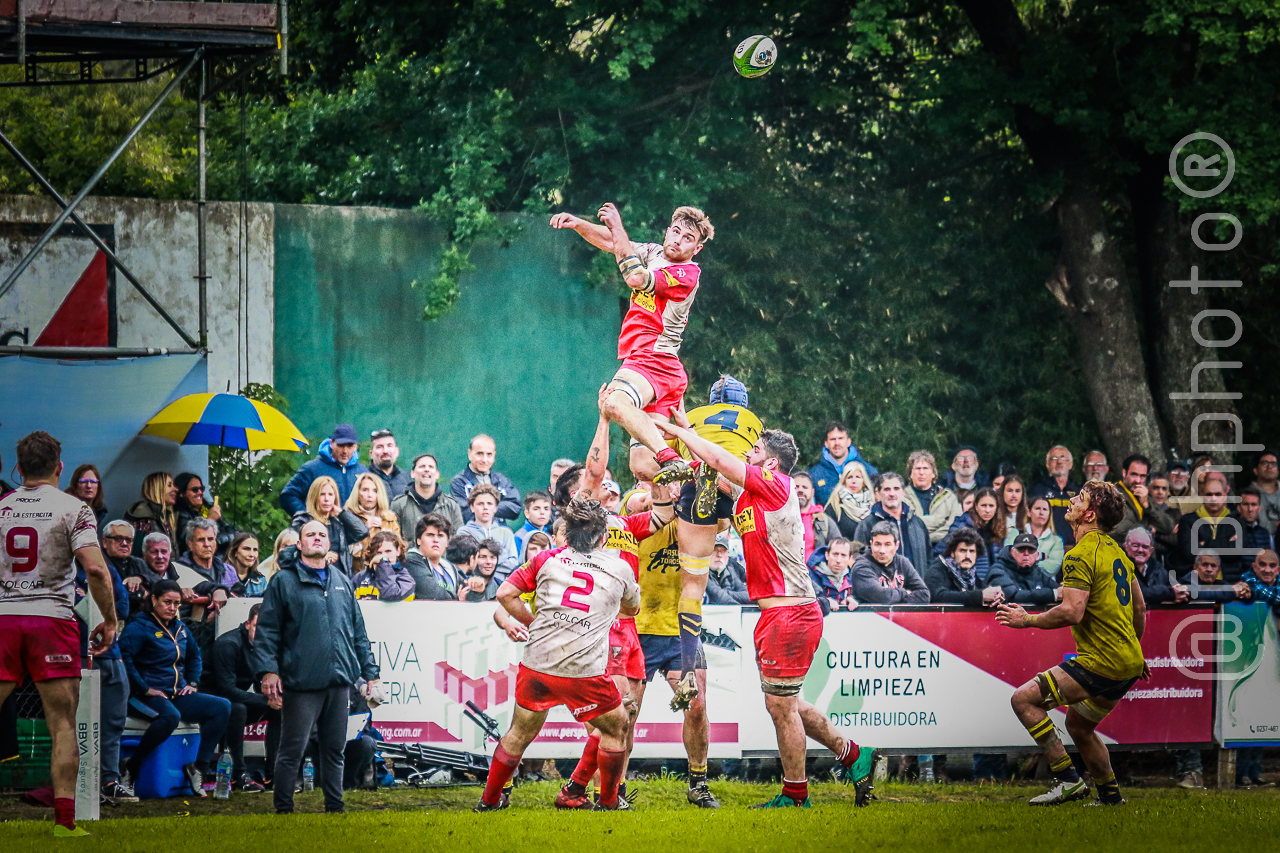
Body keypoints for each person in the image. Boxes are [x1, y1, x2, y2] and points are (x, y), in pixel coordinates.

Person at [654, 420, 879, 807]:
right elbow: (710, 467)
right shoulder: (751, 492)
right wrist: (680, 419)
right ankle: (855, 756)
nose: (747, 453)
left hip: (791, 612)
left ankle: (795, 794)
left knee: (780, 706)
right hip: (778, 614)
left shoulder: (776, 486)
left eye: (754, 450)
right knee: (786, 703)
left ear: (771, 463)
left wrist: (679, 438)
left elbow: (716, 455)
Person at [474, 499, 641, 812]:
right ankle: (608, 803)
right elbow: (632, 609)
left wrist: (532, 623)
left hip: (537, 664)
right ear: (603, 536)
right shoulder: (620, 568)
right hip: (582, 670)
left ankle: (489, 801)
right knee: (617, 726)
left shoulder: (547, 559)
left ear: (567, 533)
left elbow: (504, 594)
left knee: (518, 733)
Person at [996, 480, 1148, 807]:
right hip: (1127, 664)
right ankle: (1110, 798)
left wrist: (1028, 620)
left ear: (1089, 514)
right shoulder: (1117, 552)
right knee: (1078, 726)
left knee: (1023, 701)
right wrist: (1134, 650)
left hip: (1101, 663)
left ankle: (1067, 781)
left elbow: (1072, 612)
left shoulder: (1079, 553)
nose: (1071, 501)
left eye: (1079, 498)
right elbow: (1139, 608)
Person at [0, 432, 116, 836]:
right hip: (52, 620)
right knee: (62, 724)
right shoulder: (74, 509)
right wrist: (110, 619)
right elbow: (97, 570)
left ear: (18, 468)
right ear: (59, 467)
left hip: (3, 618)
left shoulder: (1, 507)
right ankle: (65, 824)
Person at [551, 204, 713, 486]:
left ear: (696, 249)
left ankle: (671, 458)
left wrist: (617, 225)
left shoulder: (687, 273)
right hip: (664, 367)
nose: (678, 240)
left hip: (652, 360)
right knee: (642, 468)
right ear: (667, 232)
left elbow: (635, 278)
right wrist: (579, 224)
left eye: (688, 238)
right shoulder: (653, 252)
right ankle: (702, 475)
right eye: (676, 232)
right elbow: (614, 243)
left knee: (613, 403)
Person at [253, 519, 381, 815]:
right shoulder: (283, 581)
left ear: (329, 543)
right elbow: (267, 631)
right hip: (301, 681)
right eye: (310, 535)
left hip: (339, 682)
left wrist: (371, 674)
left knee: (335, 749)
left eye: (322, 534)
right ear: (299, 544)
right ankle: (283, 809)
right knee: (291, 751)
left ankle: (334, 807)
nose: (318, 539)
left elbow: (358, 632)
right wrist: (268, 671)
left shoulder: (341, 580)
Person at [119, 580, 231, 799]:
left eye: (177, 604)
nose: (172, 608)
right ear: (153, 600)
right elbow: (123, 657)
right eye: (167, 602)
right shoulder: (140, 626)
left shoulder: (180, 628)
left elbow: (195, 655)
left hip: (175, 693)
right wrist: (143, 687)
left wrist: (193, 683)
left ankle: (198, 768)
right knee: (170, 716)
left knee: (222, 707)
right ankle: (131, 768)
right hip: (143, 695)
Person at [207, 603, 277, 793]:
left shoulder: (265, 649)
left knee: (278, 709)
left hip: (236, 698)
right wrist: (266, 700)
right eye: (257, 627)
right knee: (238, 709)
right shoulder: (228, 644)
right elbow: (226, 690)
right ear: (247, 624)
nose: (263, 634)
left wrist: (275, 697)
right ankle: (239, 774)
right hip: (210, 698)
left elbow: (259, 683)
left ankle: (273, 775)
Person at [279, 424, 369, 515]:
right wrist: (308, 519)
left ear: (356, 447)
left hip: (354, 528)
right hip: (321, 527)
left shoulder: (363, 472)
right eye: (341, 445)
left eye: (350, 446)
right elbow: (288, 496)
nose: (345, 451)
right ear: (331, 443)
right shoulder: (312, 468)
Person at [291, 475, 369, 577]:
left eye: (330, 495)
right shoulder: (303, 522)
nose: (327, 499)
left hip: (341, 577)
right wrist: (320, 555)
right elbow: (292, 553)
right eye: (322, 494)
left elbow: (362, 532)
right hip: (313, 577)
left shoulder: (338, 523)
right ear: (314, 497)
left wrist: (341, 513)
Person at [852, 472, 930, 572]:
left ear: (903, 492)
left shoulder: (917, 523)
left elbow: (929, 559)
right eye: (887, 489)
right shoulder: (867, 525)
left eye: (896, 489)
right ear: (878, 493)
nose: (892, 494)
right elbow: (859, 560)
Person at [1172, 476, 1242, 580]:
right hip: (1196, 583)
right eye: (1209, 494)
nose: (1213, 498)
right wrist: (1225, 544)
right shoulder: (1188, 520)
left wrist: (1206, 544)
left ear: (1225, 496)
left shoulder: (1237, 522)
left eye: (1218, 494)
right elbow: (1189, 553)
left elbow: (1236, 552)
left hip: (1229, 582)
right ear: (1202, 496)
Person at [850, 522, 931, 605]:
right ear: (871, 544)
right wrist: (904, 592)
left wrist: (894, 599)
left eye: (887, 545)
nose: (882, 550)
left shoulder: (903, 562)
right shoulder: (861, 566)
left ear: (896, 545)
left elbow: (924, 595)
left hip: (899, 617)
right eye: (877, 544)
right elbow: (882, 598)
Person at [450, 434, 522, 523]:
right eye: (479, 454)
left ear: (494, 456)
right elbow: (465, 513)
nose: (484, 459)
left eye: (489, 454)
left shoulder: (501, 480)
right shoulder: (459, 482)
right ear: (470, 454)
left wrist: (483, 508)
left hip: (499, 534)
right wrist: (495, 507)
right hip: (471, 534)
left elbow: (515, 508)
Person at [391, 453, 465, 537]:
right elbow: (392, 539)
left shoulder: (451, 506)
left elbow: (459, 540)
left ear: (437, 474)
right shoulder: (399, 505)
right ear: (412, 473)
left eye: (431, 467)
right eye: (422, 466)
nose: (426, 469)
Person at [925, 528, 1003, 607]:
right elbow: (938, 596)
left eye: (972, 551)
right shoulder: (937, 570)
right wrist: (980, 596)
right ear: (952, 553)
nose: (967, 556)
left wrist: (995, 596)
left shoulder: (971, 575)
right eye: (962, 551)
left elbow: (980, 593)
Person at [939, 487, 1004, 583]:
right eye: (983, 505)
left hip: (992, 582)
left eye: (991, 506)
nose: (987, 510)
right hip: (968, 582)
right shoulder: (962, 526)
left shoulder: (997, 527)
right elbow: (942, 552)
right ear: (976, 507)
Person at [808, 421, 878, 506]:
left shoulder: (868, 471)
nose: (837, 443)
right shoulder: (814, 474)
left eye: (840, 438)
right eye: (833, 439)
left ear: (848, 441)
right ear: (826, 443)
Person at [458, 484, 519, 580]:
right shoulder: (464, 532)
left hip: (500, 585)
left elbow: (513, 563)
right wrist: (502, 555)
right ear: (472, 507)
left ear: (495, 508)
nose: (485, 507)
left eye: (489, 504)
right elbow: (466, 563)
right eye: (480, 504)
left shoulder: (506, 533)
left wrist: (482, 559)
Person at [901, 450, 963, 546]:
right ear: (910, 474)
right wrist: (940, 520)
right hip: (914, 547)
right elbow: (908, 526)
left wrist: (928, 536)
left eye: (925, 468)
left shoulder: (949, 497)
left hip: (945, 547)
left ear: (933, 473)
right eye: (917, 468)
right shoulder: (902, 497)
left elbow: (956, 525)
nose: (921, 472)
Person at [344, 472, 401, 574]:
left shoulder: (389, 520)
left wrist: (389, 539)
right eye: (365, 490)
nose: (370, 495)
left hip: (388, 575)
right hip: (357, 576)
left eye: (375, 491)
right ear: (357, 493)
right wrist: (363, 530)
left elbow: (400, 552)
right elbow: (344, 553)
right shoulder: (347, 519)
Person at [1111, 455, 1174, 545]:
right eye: (1134, 474)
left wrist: (1147, 506)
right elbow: (1118, 528)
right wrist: (1148, 530)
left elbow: (1168, 527)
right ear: (1124, 473)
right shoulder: (1111, 494)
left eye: (1142, 476)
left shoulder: (1144, 495)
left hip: (1146, 555)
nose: (1138, 480)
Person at [985, 533, 1062, 606]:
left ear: (1037, 555)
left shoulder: (1036, 571)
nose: (1026, 554)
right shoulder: (998, 570)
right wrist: (1053, 594)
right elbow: (1013, 596)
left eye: (1031, 550)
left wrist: (1064, 590)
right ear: (1012, 552)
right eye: (1021, 549)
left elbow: (1056, 587)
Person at [1029, 445, 1082, 549]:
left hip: (1074, 549)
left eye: (1063, 457)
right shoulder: (1037, 491)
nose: (1059, 462)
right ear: (1047, 464)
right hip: (1046, 548)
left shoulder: (1080, 492)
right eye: (1054, 458)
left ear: (1071, 464)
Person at [173, 473, 233, 558]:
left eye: (201, 489)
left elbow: (232, 532)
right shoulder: (181, 515)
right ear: (182, 493)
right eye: (195, 490)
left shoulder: (208, 508)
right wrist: (210, 520)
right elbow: (188, 544)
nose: (200, 492)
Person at [1123, 528, 1187, 604]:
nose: (1140, 550)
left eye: (1145, 547)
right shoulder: (1118, 567)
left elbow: (1175, 589)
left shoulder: (1158, 569)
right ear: (1125, 547)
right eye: (1135, 545)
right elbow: (1132, 594)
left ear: (1151, 551)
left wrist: (1181, 595)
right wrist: (1169, 594)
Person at [403, 514, 460, 600]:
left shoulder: (449, 567)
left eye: (440, 536)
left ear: (447, 543)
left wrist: (477, 590)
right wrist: (458, 598)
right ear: (418, 540)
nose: (436, 540)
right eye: (430, 535)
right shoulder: (410, 560)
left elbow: (468, 592)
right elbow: (432, 593)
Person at [1007, 496, 1066, 578]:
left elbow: (1054, 567)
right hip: (1017, 583)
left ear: (1049, 514)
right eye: (1038, 508)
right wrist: (1042, 556)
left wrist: (1025, 561)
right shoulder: (1016, 533)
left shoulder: (1056, 540)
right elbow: (1007, 557)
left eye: (1045, 509)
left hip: (1045, 587)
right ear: (1029, 512)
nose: (1041, 513)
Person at [176, 516, 239, 592]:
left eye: (210, 539)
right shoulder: (178, 571)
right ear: (190, 544)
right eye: (201, 540)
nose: (207, 544)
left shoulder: (229, 571)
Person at [124, 471, 178, 557]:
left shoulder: (165, 517)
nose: (176, 489)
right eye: (169, 485)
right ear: (157, 488)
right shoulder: (143, 518)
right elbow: (135, 555)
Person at [352, 531, 417, 602]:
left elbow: (390, 594)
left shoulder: (405, 578)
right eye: (379, 553)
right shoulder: (360, 577)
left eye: (388, 551)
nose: (383, 556)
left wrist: (383, 563)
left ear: (398, 551)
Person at [824, 462, 874, 538]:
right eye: (850, 477)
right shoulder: (835, 506)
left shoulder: (873, 505)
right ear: (844, 481)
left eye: (858, 477)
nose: (854, 481)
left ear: (864, 481)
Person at [1179, 552, 1252, 603]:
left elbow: (1230, 591)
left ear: (1219, 571)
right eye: (1205, 565)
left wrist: (1244, 591)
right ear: (1195, 567)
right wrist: (1233, 592)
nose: (1209, 570)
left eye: (1213, 566)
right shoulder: (1186, 582)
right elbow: (1199, 595)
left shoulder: (1219, 583)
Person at [809, 537, 859, 611]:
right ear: (827, 555)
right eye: (835, 554)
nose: (838, 560)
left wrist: (852, 599)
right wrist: (823, 602)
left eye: (843, 555)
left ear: (850, 559)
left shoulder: (853, 577)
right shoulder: (810, 577)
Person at [793, 471, 832, 561]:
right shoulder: (778, 516)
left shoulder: (823, 520)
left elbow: (838, 546)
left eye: (805, 487)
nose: (800, 490)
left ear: (812, 492)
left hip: (813, 572)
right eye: (796, 487)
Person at [1234, 487, 1272, 576]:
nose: (1250, 509)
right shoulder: (1230, 531)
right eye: (1246, 504)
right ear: (1239, 508)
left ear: (1259, 508)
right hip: (1239, 582)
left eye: (1254, 504)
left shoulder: (1265, 534)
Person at [705, 535, 751, 605]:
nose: (719, 555)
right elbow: (720, 598)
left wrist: (725, 592)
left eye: (723, 551)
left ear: (728, 556)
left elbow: (749, 596)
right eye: (714, 550)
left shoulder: (730, 570)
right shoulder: (701, 574)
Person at [368, 428, 411, 499]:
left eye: (389, 446)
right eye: (379, 447)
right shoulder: (364, 478)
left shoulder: (408, 478)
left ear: (397, 451)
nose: (385, 451)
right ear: (371, 454)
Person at [1146, 472, 1181, 557]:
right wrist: (1168, 532)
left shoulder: (1175, 514)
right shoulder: (1143, 512)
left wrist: (1155, 533)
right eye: (1156, 488)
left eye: (1164, 489)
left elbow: (1178, 541)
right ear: (1148, 490)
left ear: (1168, 492)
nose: (1160, 492)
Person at [513, 490, 554, 563]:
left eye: (546, 509)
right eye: (536, 509)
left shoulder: (551, 536)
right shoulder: (519, 537)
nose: (542, 512)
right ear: (527, 513)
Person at [225, 532, 268, 597]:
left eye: (255, 550)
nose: (251, 554)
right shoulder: (221, 576)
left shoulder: (261, 581)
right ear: (235, 552)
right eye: (246, 549)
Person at [66, 463, 107, 529]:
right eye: (83, 481)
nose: (89, 486)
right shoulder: (65, 509)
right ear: (75, 484)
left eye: (93, 482)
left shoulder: (100, 511)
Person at [1249, 450, 1280, 535]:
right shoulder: (1248, 495)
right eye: (1265, 463)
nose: (1270, 466)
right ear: (1255, 470)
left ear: (1278, 471)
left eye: (1273, 464)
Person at [997, 475, 1029, 541]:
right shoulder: (995, 515)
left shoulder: (1029, 516)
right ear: (1002, 493)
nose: (1013, 495)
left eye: (1017, 491)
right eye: (1010, 491)